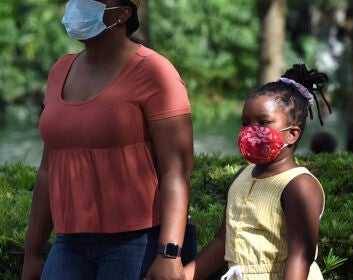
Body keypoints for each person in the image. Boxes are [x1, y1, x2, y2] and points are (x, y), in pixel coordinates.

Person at [21, 0, 194, 279]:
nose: (77, 6)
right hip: (70, 242)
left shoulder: (155, 72)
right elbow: (47, 171)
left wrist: (169, 253)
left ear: (123, 14)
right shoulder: (59, 71)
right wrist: (32, 253)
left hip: (137, 242)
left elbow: (177, 169)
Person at [184, 64, 331, 280]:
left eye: (263, 122)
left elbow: (300, 258)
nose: (251, 131)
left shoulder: (299, 185)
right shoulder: (242, 176)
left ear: (292, 134)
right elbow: (222, 242)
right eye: (246, 123)